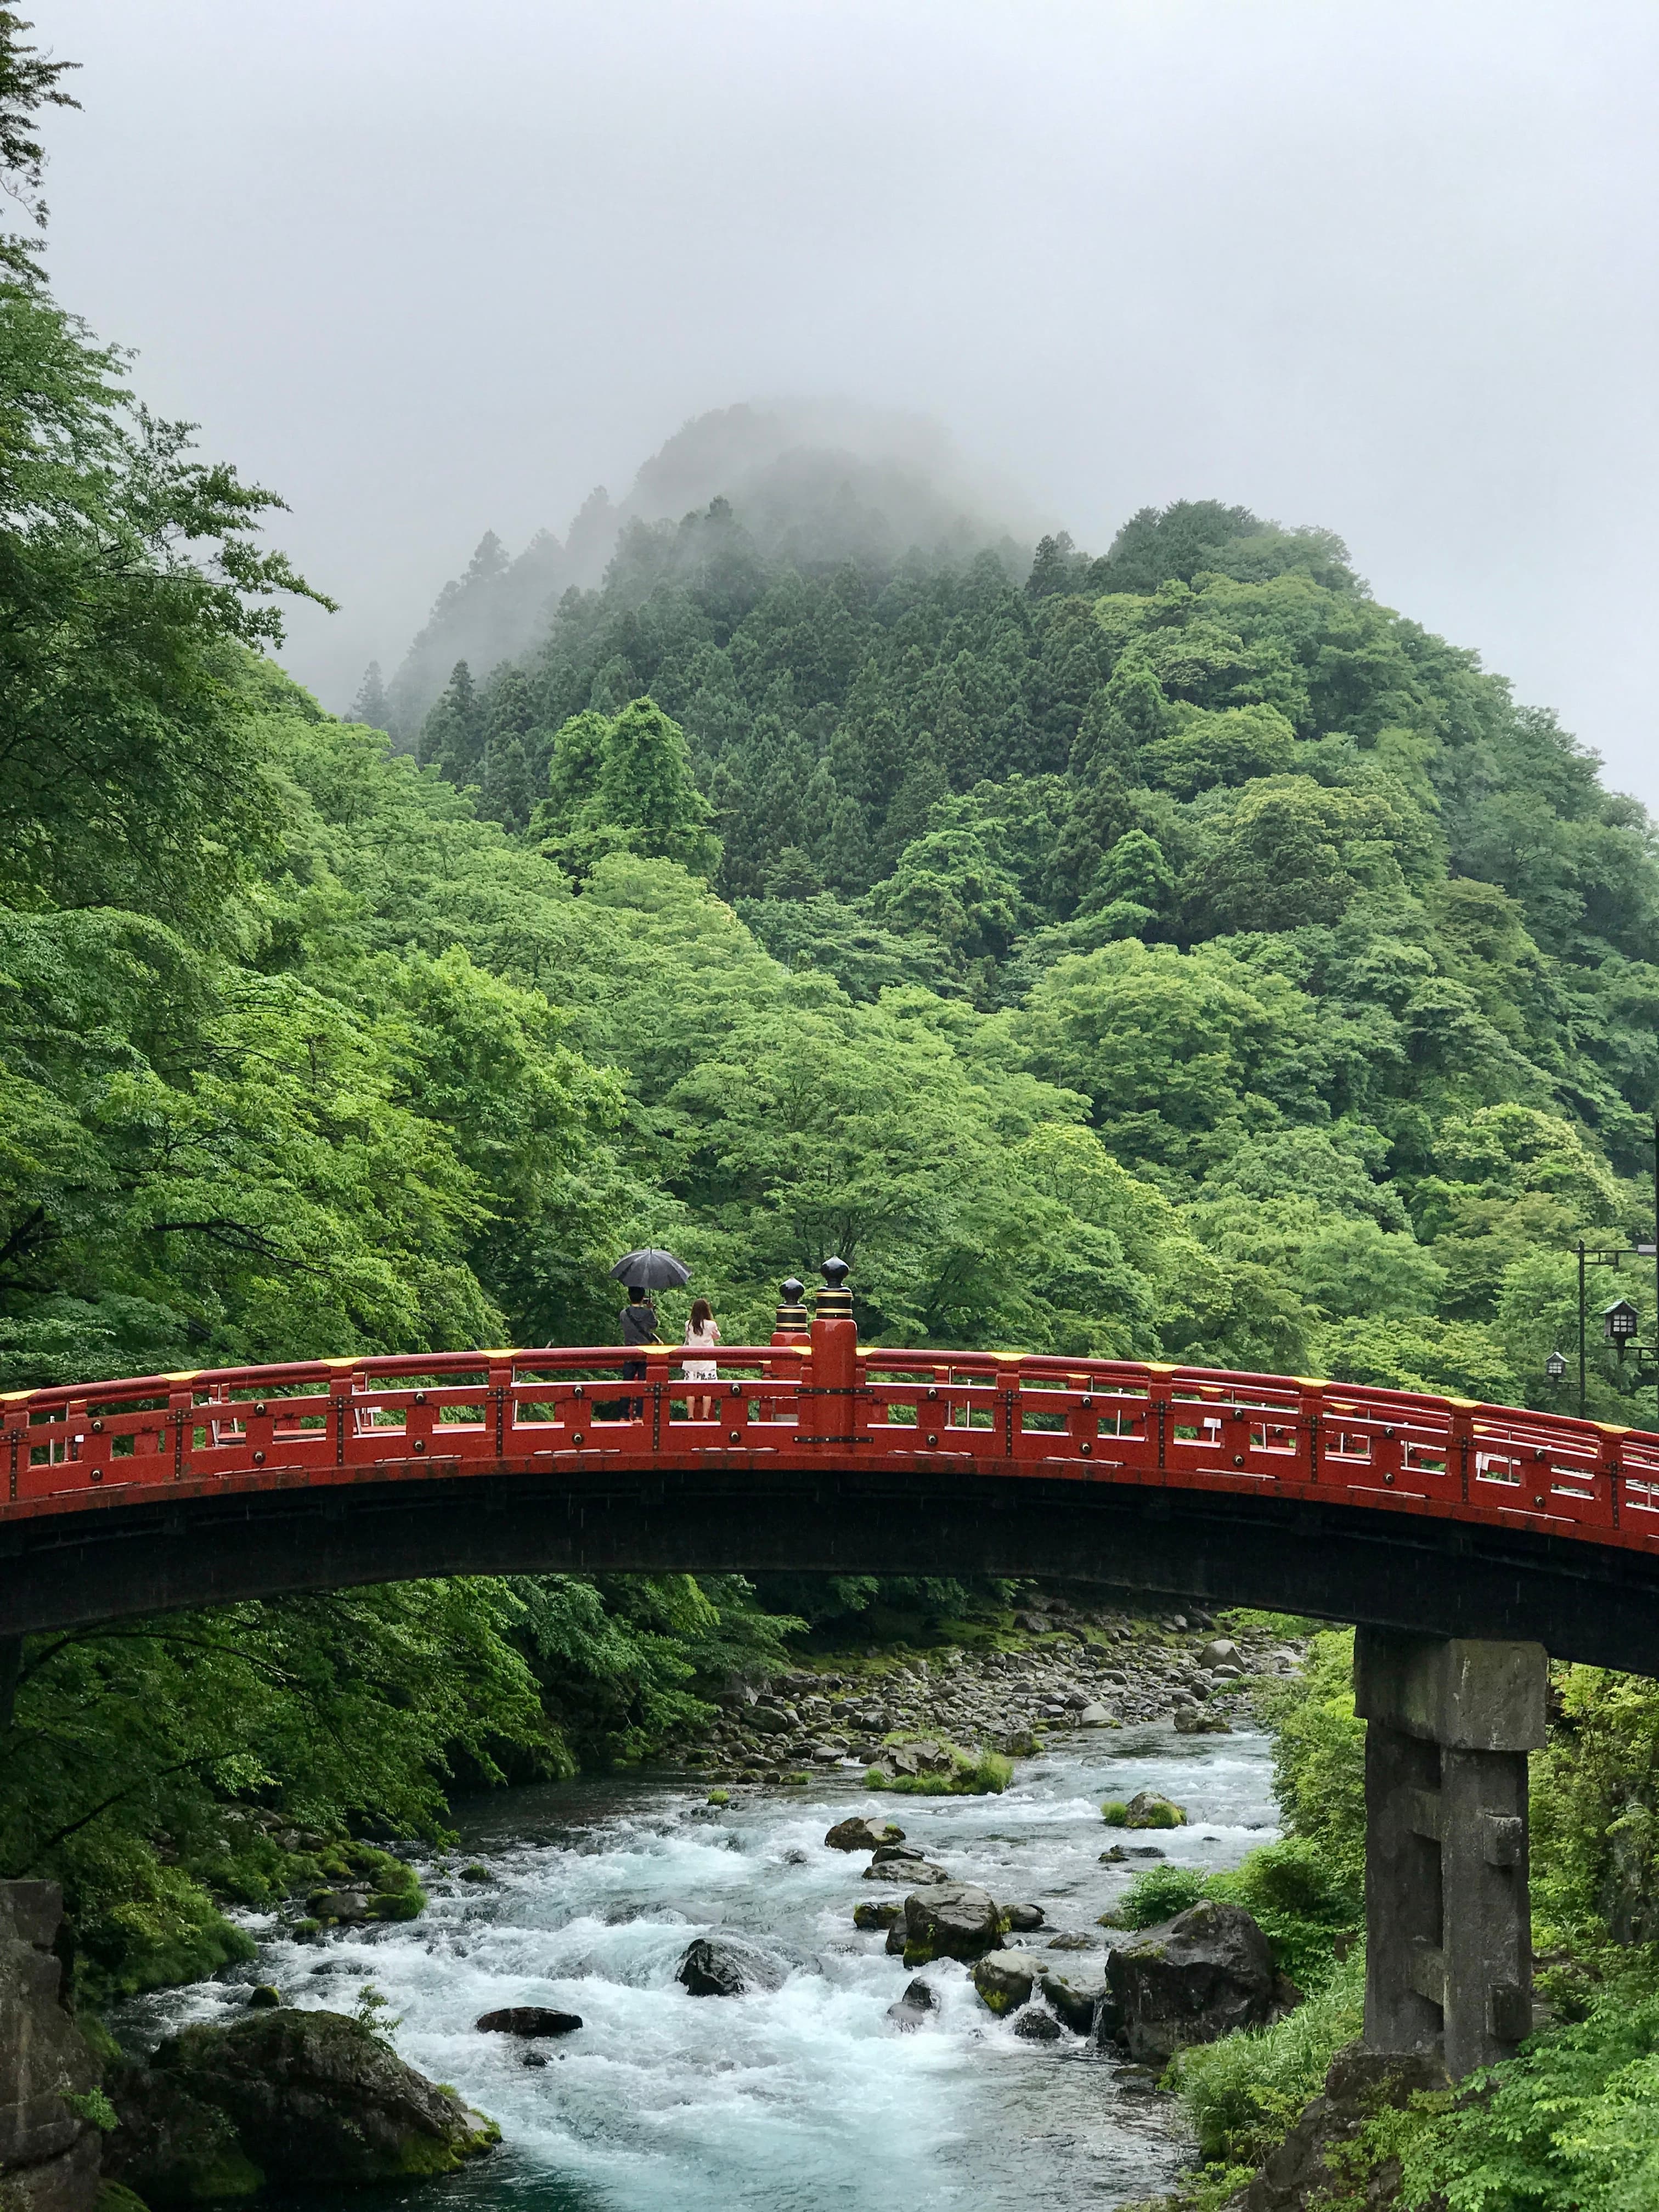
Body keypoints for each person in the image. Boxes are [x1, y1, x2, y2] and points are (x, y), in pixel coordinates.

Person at [619, 1284, 658, 1417]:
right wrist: (651, 1310)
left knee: (627, 1384)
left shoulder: (624, 1314)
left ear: (629, 1296)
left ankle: (624, 1415)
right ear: (643, 1297)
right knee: (643, 1384)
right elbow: (654, 1325)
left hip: (629, 1353)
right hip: (644, 1352)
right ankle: (639, 1415)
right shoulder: (647, 1313)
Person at [682, 1296, 721, 1421]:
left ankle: (690, 1415)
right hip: (707, 1362)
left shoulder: (688, 1324)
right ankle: (705, 1416)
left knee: (690, 1389)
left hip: (691, 1362)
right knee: (707, 1389)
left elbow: (687, 1340)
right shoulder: (711, 1325)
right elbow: (717, 1337)